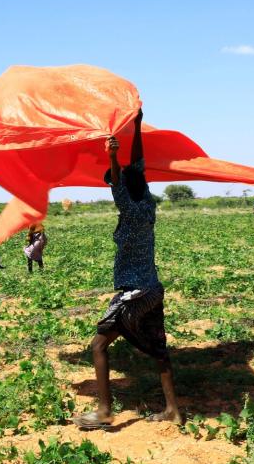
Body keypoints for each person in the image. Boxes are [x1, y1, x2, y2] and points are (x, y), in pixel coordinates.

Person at [73, 109, 182, 429]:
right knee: (159, 350)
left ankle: (105, 412)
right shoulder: (147, 203)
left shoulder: (132, 211)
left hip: (134, 292)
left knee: (98, 345)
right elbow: (137, 166)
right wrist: (135, 125)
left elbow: (120, 181)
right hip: (153, 290)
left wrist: (111, 158)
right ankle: (173, 409)